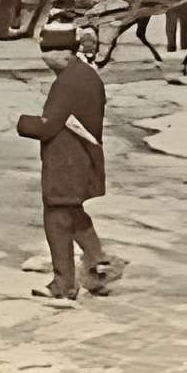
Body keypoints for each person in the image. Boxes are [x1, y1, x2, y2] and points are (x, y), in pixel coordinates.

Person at [16, 19, 116, 304]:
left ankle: (63, 284)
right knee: (73, 212)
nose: (46, 60)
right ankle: (97, 262)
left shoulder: (67, 83)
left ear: (64, 52)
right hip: (84, 156)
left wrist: (22, 122)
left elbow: (48, 126)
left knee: (57, 219)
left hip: (66, 161)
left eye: (49, 54)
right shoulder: (87, 75)